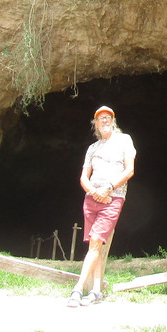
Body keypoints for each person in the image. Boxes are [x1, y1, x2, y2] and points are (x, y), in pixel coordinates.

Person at [68, 105, 135, 307]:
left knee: (96, 242)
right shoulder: (93, 149)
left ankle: (78, 290)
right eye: (100, 119)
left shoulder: (124, 140)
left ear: (113, 122)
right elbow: (83, 177)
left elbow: (129, 170)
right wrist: (93, 191)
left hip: (113, 198)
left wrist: (108, 188)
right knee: (94, 245)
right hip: (92, 198)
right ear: (95, 124)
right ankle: (96, 291)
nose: (104, 121)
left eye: (108, 118)